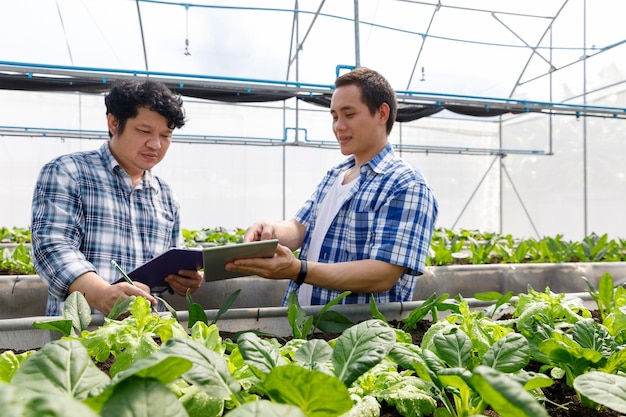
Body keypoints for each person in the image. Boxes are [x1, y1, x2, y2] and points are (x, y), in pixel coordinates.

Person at [226, 67, 438, 306]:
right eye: (335, 116)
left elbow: (383, 274)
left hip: (354, 339)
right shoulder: (336, 174)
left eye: (349, 115)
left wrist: (299, 270)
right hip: (302, 331)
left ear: (382, 113)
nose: (338, 126)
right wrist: (270, 231)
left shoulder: (405, 184)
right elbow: (300, 227)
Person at [31, 79, 203, 316]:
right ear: (114, 122)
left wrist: (184, 280)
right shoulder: (69, 173)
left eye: (166, 135)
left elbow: (173, 257)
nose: (156, 144)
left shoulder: (165, 195)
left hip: (146, 336)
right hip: (81, 336)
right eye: (144, 131)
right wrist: (101, 294)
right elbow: (53, 247)